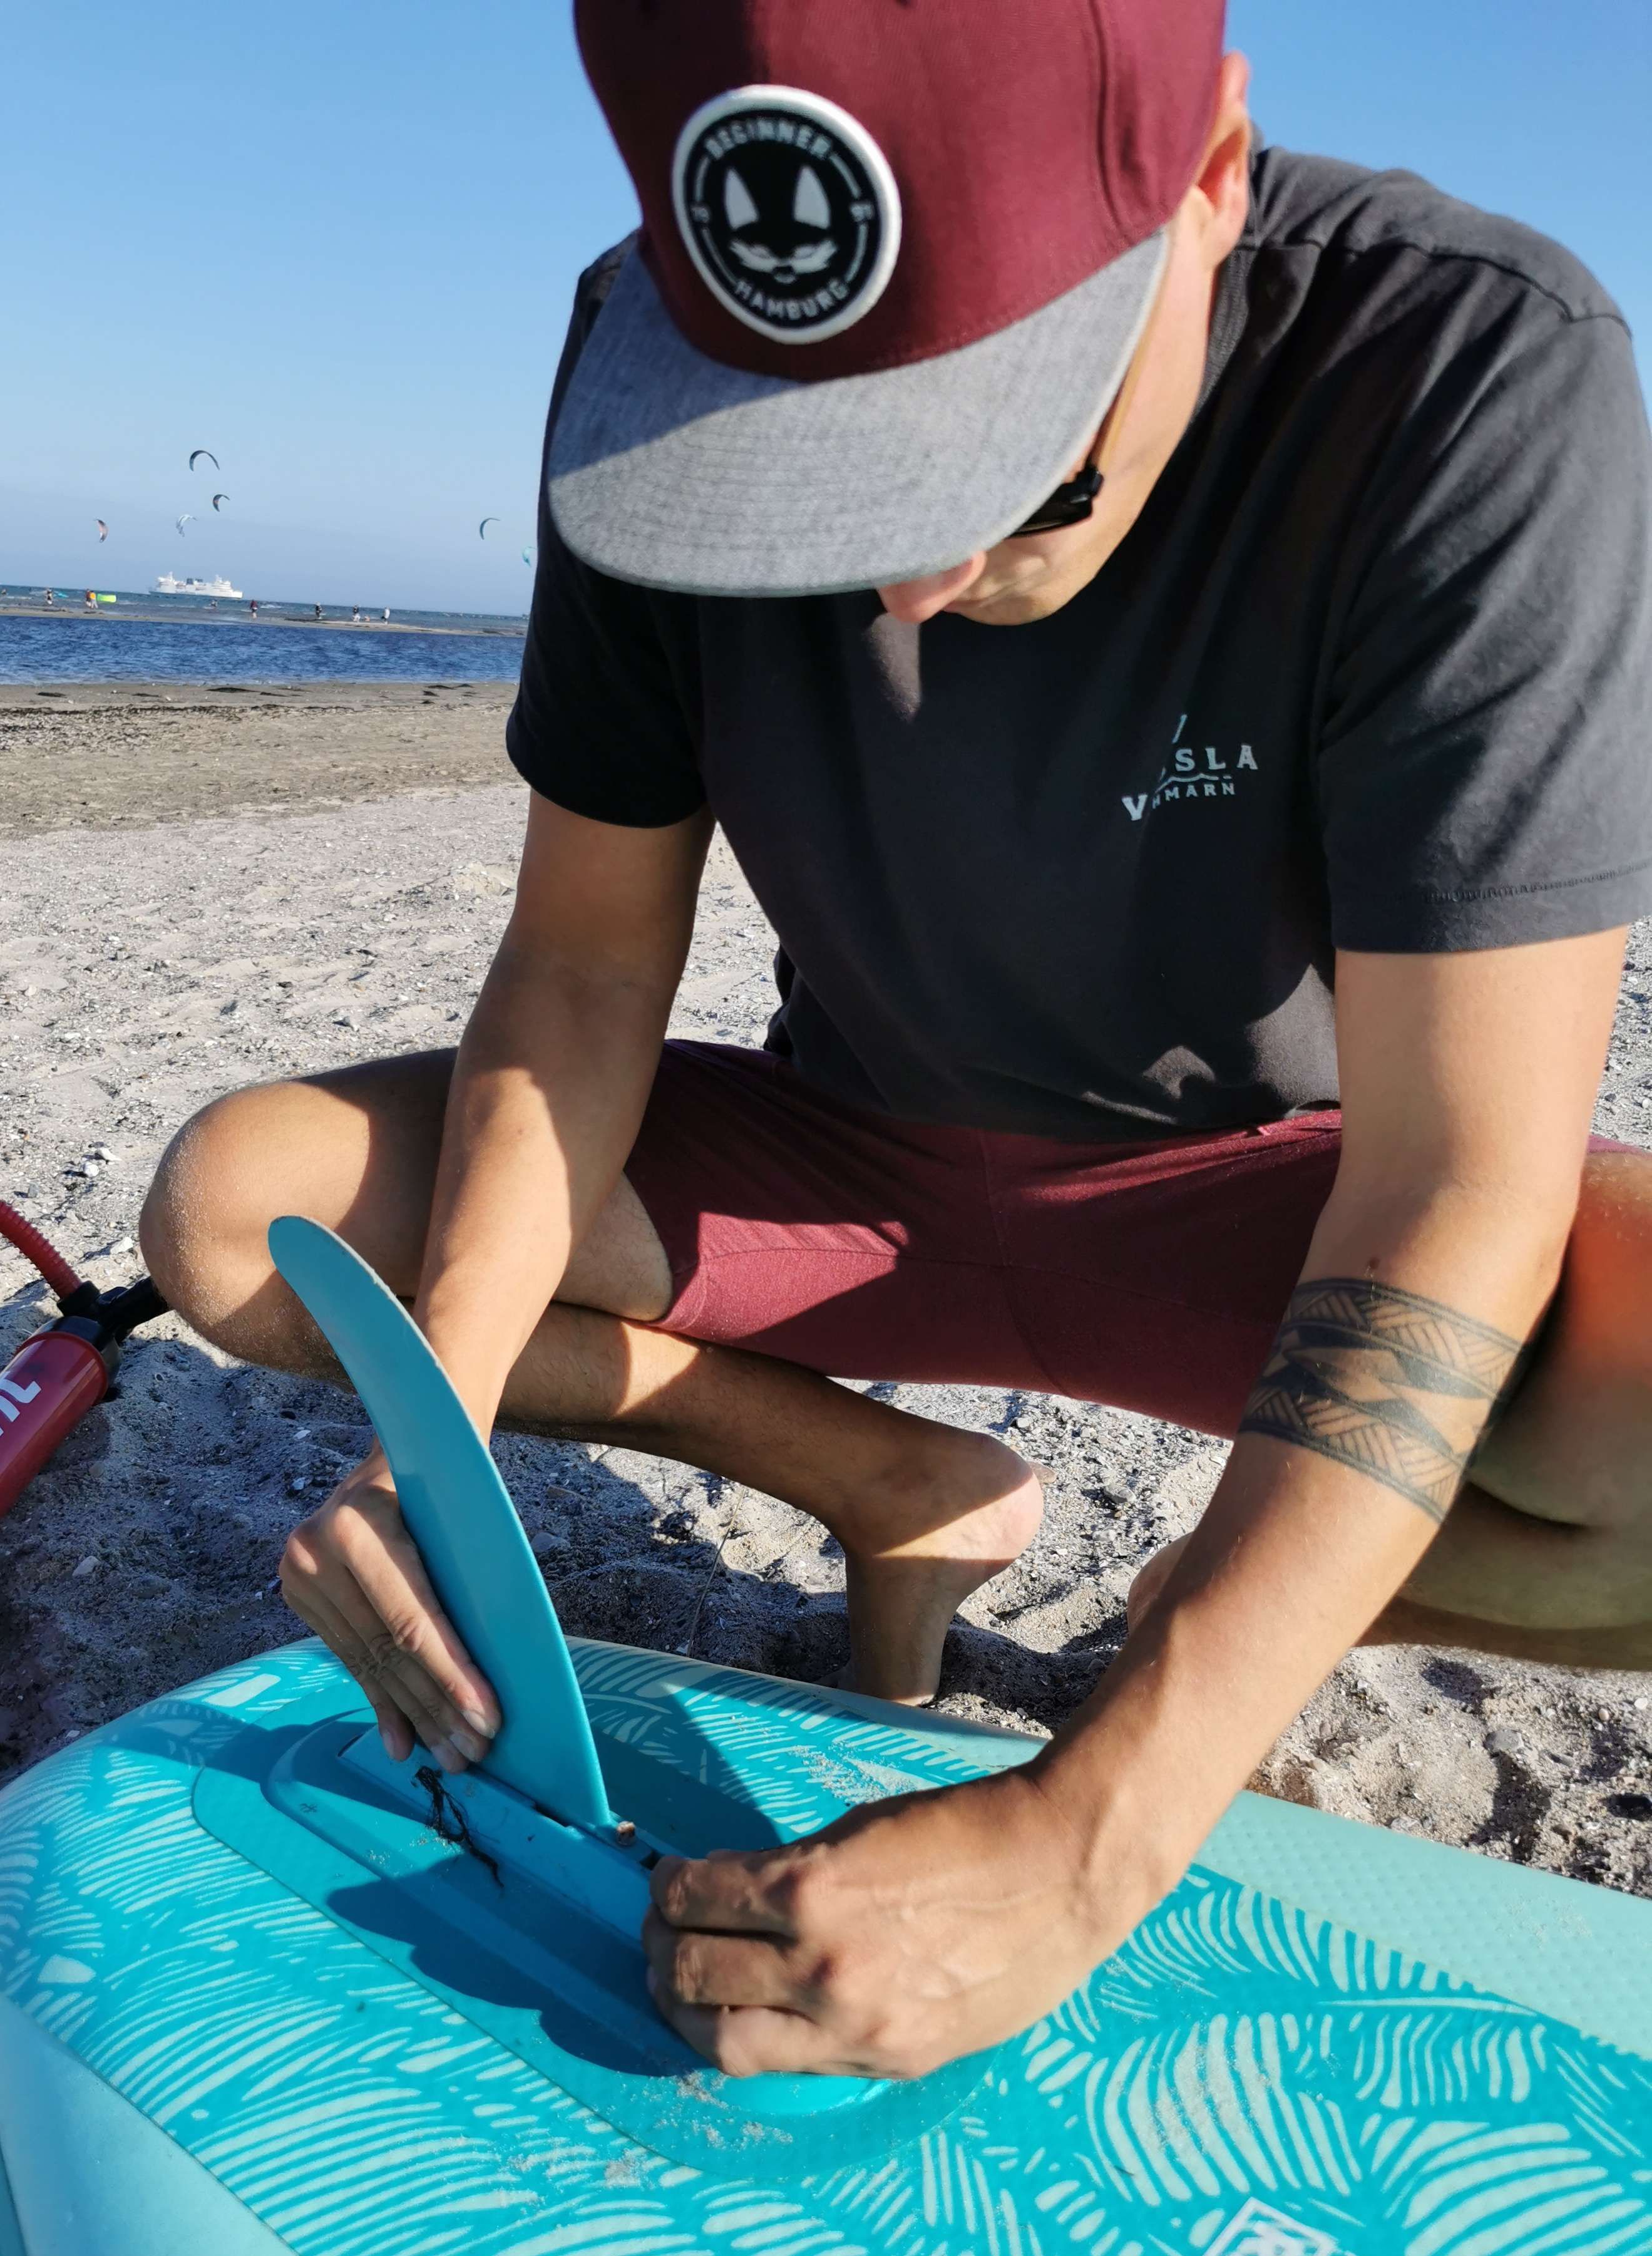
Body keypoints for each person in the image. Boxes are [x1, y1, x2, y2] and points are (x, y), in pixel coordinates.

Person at [141, 0, 1652, 2083]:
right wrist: (446, 1432)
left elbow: (1455, 1175)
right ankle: (895, 1484)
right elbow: (581, 974)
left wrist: (1093, 1829)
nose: (917, 591)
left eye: (1019, 459)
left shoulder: (1470, 367)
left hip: (1285, 1202)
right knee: (245, 1216)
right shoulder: (635, 359)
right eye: (810, 494)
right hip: (843, 1168)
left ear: (1213, 174)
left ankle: (1247, 1598)